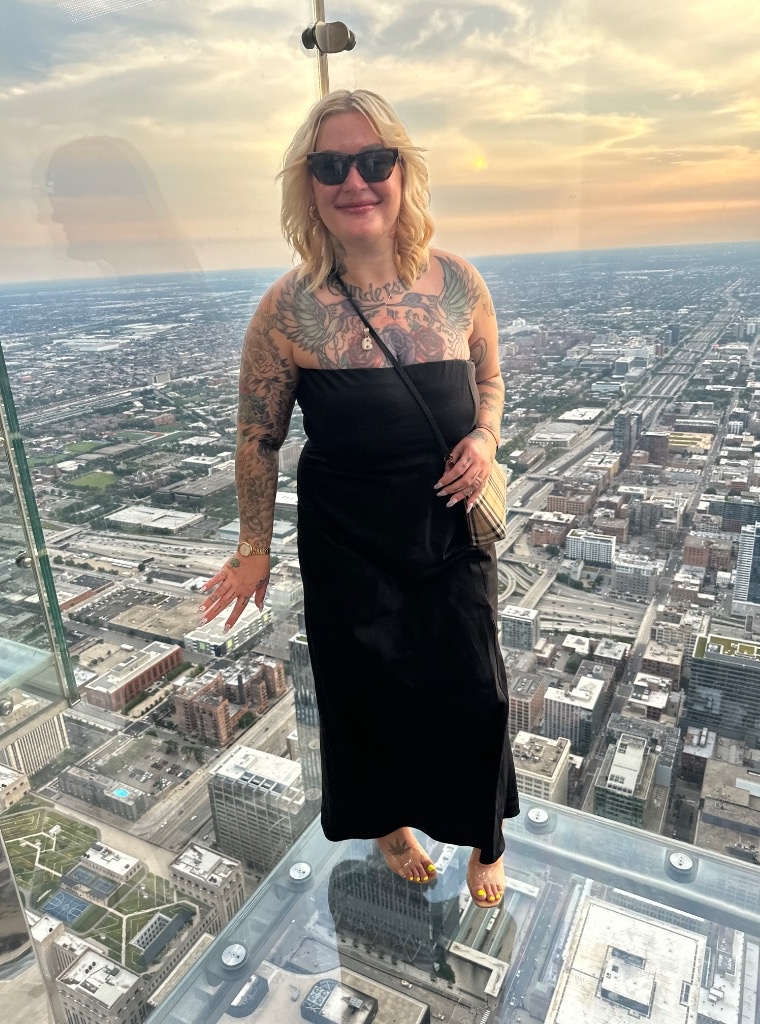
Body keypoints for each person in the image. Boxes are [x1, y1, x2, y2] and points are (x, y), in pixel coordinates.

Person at [200, 89, 519, 908]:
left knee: (476, 689)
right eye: (330, 166)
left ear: (403, 173)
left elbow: (490, 380)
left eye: (374, 161)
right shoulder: (286, 310)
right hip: (347, 542)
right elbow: (257, 436)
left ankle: (485, 836)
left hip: (447, 530)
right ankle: (388, 825)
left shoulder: (459, 283)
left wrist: (485, 440)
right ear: (307, 186)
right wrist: (253, 550)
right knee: (365, 695)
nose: (355, 181)